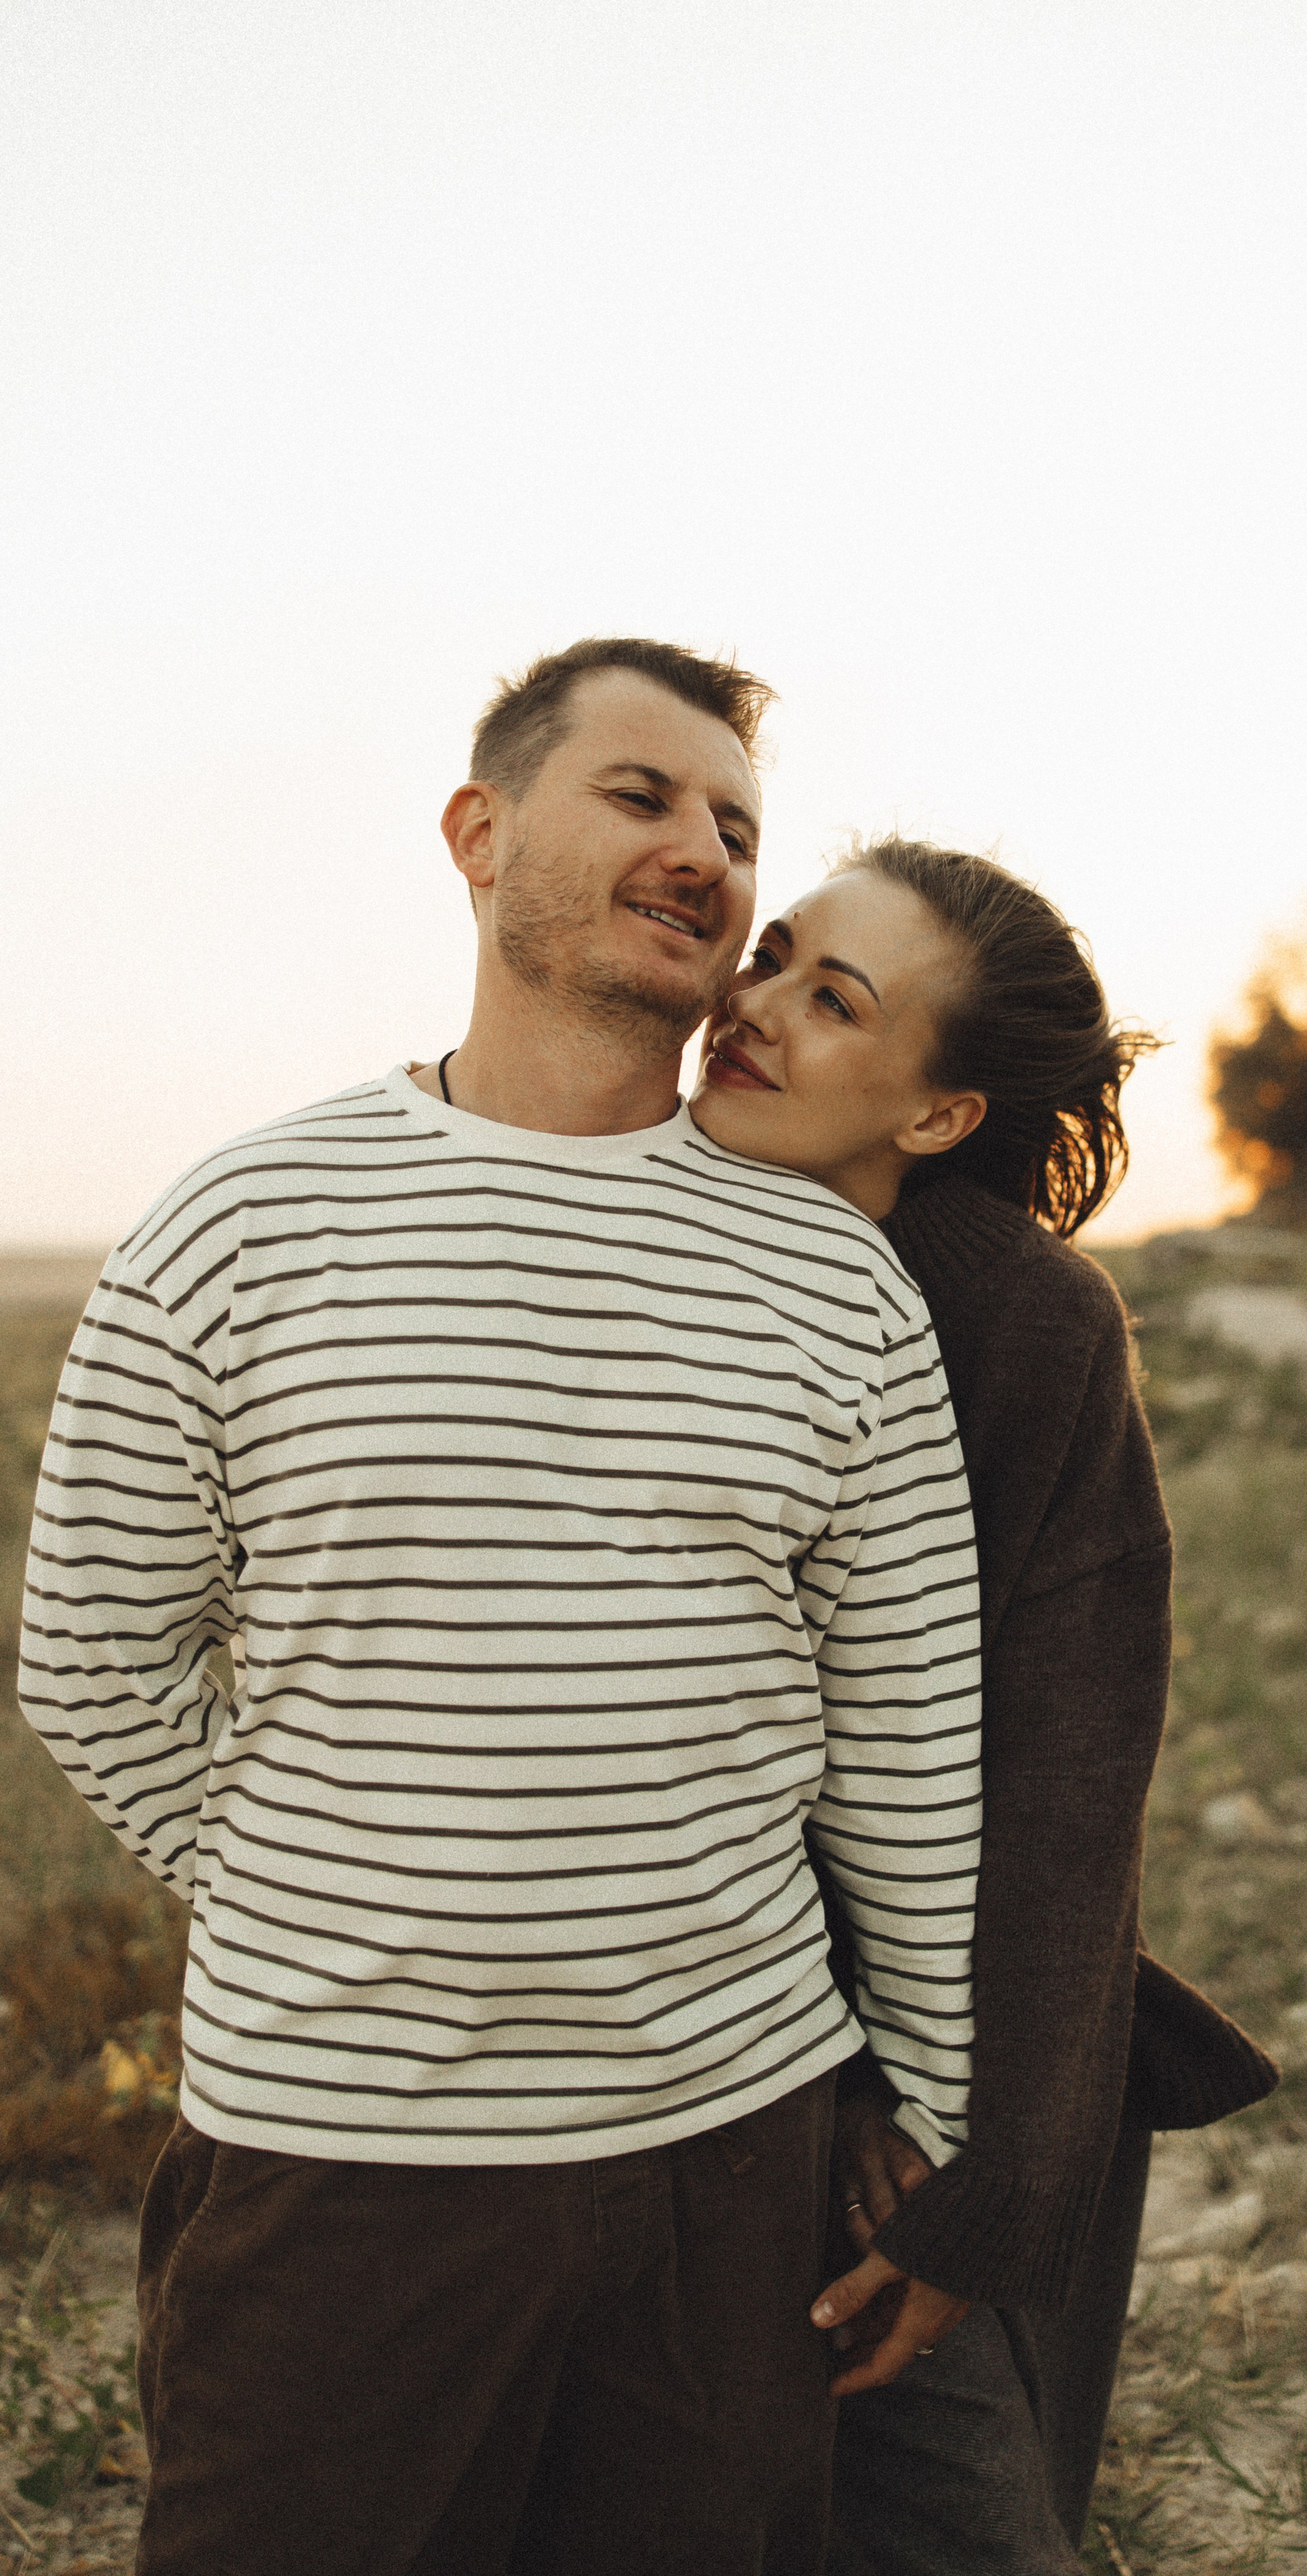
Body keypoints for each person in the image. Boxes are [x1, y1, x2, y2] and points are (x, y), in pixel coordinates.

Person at [17, 646, 986, 2576]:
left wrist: (943, 2143)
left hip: (732, 2161)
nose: (703, 852)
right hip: (341, 2171)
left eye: (736, 826)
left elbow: (904, 1750)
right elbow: (91, 1666)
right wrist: (333, 1892)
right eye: (642, 796)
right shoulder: (237, 1228)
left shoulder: (839, 1286)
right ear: (480, 833)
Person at [689, 839, 1278, 2574]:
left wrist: (987, 2180)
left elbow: (1069, 1783)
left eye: (832, 998)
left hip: (922, 2096)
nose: (757, 1006)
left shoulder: (1022, 1326)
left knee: (950, 2523)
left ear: (941, 1115)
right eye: (776, 955)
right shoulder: (634, 1233)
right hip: (647, 2063)